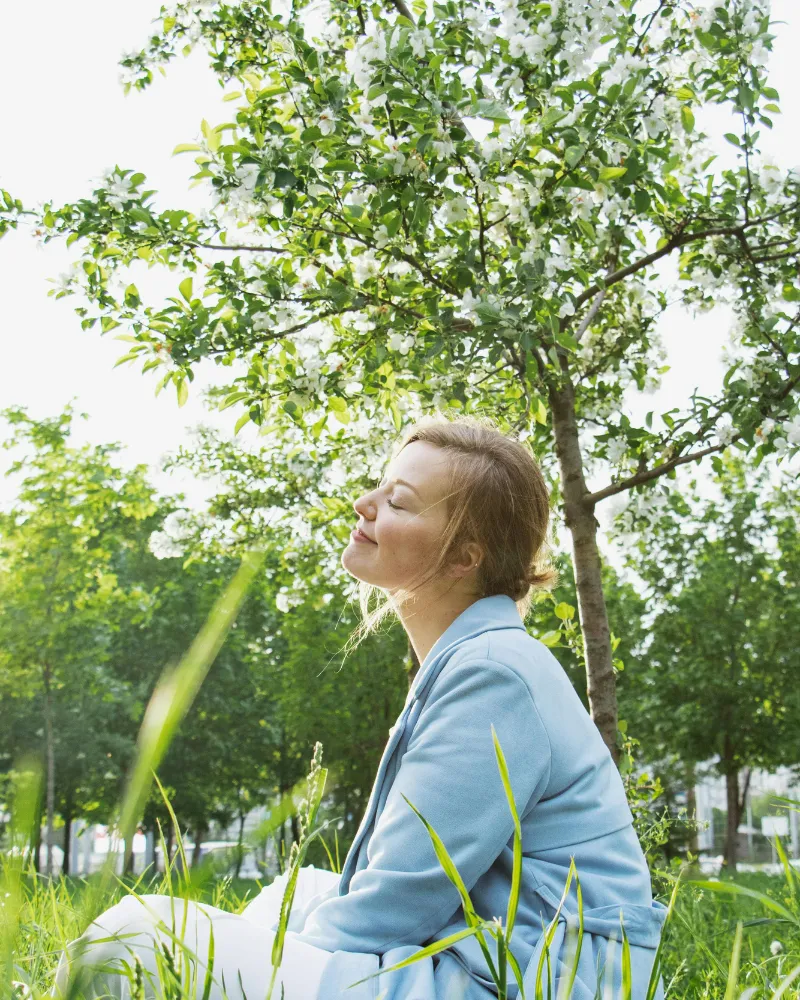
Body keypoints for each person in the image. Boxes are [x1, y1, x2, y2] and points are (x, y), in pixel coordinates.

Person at [53, 412, 668, 1000]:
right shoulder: (482, 658)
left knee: (129, 942)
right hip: (501, 960)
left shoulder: (493, 675)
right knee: (293, 896)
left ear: (464, 557)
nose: (364, 505)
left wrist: (284, 965)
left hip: (529, 981)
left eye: (398, 502)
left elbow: (399, 897)